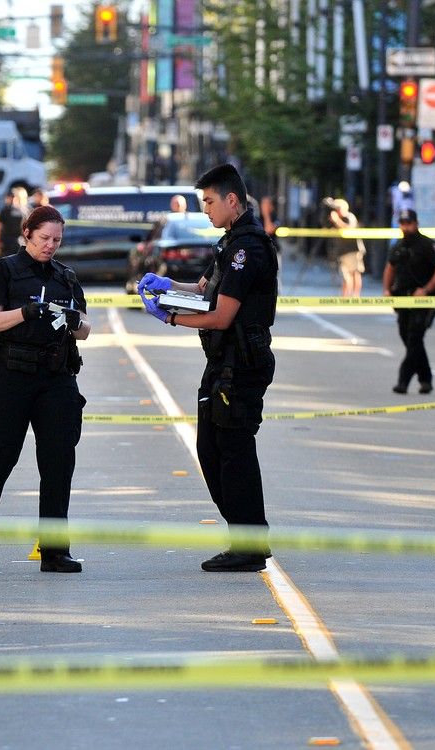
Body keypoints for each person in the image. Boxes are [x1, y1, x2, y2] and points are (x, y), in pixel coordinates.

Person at [137, 163, 278, 573]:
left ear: (232, 200)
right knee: (212, 452)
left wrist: (171, 318)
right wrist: (168, 287)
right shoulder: (230, 243)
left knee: (233, 454)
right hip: (222, 364)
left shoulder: (247, 248)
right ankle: (245, 537)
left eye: (210, 202)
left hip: (240, 364)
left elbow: (220, 316)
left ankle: (249, 544)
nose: (206, 211)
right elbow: (203, 290)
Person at [0, 205, 90, 573]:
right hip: (10, 376)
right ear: (27, 234)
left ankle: (54, 550)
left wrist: (72, 319)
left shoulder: (66, 276)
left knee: (58, 461)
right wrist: (27, 313)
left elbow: (85, 327)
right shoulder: (6, 270)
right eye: (45, 238)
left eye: (57, 240)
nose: (50, 246)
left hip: (55, 377)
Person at [383, 209, 435, 395]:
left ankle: (403, 381)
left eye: (408, 223)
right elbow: (390, 268)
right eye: (402, 223)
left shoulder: (428, 245)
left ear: (416, 223)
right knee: (407, 336)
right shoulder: (398, 246)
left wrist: (426, 289)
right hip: (402, 299)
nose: (405, 227)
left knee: (414, 337)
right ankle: (425, 379)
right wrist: (387, 290)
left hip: (423, 300)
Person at [327, 198, 365, 297]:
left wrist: (337, 221)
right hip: (342, 251)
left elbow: (349, 229)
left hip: (352, 250)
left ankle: (355, 296)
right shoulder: (338, 219)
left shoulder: (349, 217)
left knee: (354, 273)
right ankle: (345, 296)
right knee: (346, 275)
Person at [0, 188, 27, 257]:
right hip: (19, 243)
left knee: (7, 265)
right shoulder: (23, 211)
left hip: (6, 243)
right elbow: (25, 230)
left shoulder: (4, 211)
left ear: (8, 198)